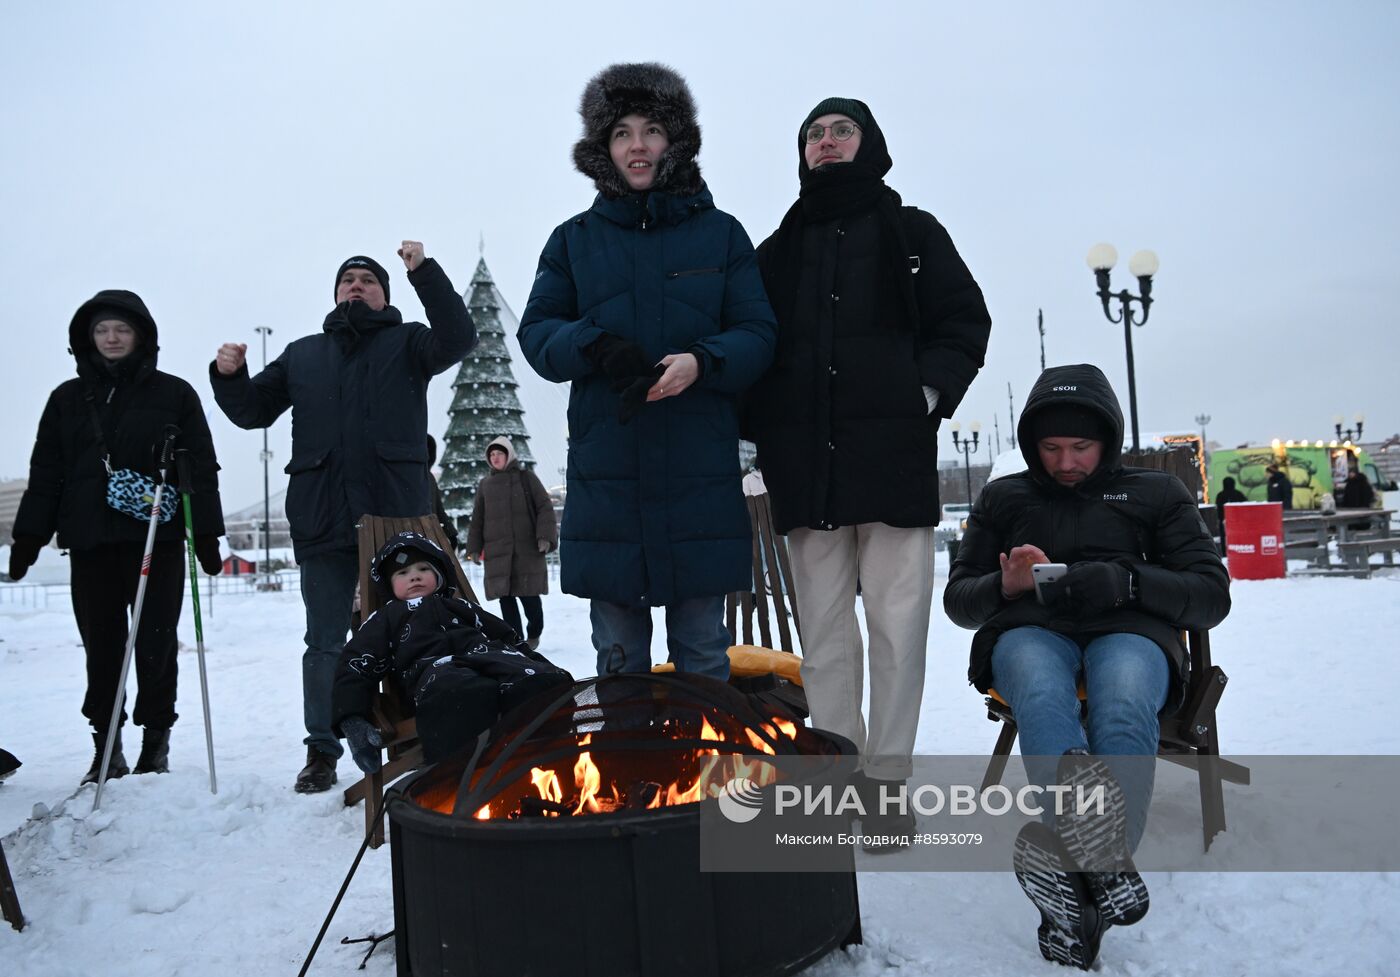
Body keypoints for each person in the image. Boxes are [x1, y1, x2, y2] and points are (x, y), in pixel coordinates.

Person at [741, 96, 992, 844]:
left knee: (896, 627)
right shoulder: (776, 250)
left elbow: (964, 320)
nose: (826, 142)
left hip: (892, 463)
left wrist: (922, 393)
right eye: (814, 134)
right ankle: (833, 775)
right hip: (802, 467)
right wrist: (754, 433)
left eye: (840, 130)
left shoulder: (913, 232)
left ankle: (886, 782)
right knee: (822, 636)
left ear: (869, 143)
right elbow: (751, 345)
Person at [944, 363, 1231, 970]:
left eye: (1080, 447)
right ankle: (1102, 878)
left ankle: (1081, 887)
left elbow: (1210, 593)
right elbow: (959, 602)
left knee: (1123, 701)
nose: (1066, 462)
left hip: (1130, 628)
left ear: (1108, 440)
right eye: (1050, 448)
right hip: (1031, 630)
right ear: (1031, 445)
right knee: (1043, 698)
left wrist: (1128, 580)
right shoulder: (1005, 496)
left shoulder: (1156, 492)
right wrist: (1006, 582)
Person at [518, 62, 776, 679]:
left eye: (652, 129)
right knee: (619, 661)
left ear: (676, 141)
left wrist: (703, 362)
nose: (638, 145)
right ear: (602, 149)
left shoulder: (722, 235)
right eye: (622, 132)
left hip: (698, 476)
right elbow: (538, 334)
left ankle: (709, 777)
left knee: (703, 657)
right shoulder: (572, 241)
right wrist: (595, 344)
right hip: (610, 479)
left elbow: (759, 333)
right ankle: (625, 776)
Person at [210, 242, 475, 793]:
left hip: (396, 517)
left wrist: (423, 273)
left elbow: (459, 336)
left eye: (369, 280)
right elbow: (252, 411)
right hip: (323, 519)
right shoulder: (304, 354)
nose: (357, 285)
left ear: (385, 294)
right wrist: (228, 376)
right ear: (335, 294)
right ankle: (323, 749)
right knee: (326, 642)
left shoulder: (410, 344)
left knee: (416, 630)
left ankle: (420, 732)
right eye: (348, 280)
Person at [9, 290, 225, 783]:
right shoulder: (67, 399)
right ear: (87, 339)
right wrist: (28, 537)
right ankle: (107, 746)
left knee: (154, 644)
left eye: (121, 330)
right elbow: (47, 473)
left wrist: (206, 535)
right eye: (102, 330)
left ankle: (155, 743)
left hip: (157, 542)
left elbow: (201, 472)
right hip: (90, 545)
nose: (111, 337)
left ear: (141, 336)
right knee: (102, 647)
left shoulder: (175, 395)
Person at [331, 532, 572, 768]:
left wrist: (542, 668)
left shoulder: (461, 606)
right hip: (437, 675)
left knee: (540, 685)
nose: (414, 577)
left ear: (439, 576)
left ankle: (548, 765)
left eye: (423, 569)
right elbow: (356, 662)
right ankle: (460, 779)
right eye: (403, 573)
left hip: (493, 659)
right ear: (388, 584)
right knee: (461, 695)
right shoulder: (386, 618)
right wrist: (351, 718)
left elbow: (508, 638)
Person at [464, 437, 558, 650]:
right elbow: (477, 519)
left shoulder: (527, 478)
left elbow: (544, 507)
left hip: (526, 551)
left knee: (530, 600)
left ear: (509, 455)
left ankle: (534, 632)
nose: (495, 458)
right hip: (498, 554)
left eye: (499, 454)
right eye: (492, 455)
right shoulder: (485, 485)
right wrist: (473, 548)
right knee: (506, 600)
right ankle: (516, 640)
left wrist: (545, 536)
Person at [1213, 475, 1246, 548]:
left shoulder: (1220, 495)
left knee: (1225, 537)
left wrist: (1220, 518)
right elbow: (1245, 506)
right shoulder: (1238, 494)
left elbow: (1218, 508)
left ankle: (1225, 551)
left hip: (1224, 520)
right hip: (1238, 521)